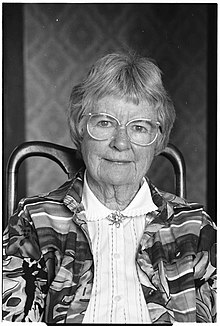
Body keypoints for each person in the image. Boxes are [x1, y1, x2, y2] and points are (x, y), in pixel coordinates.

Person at [3, 51, 216, 324]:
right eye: (105, 122)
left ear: (158, 140)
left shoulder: (196, 226)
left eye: (139, 127)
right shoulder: (35, 220)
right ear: (80, 128)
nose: (121, 143)